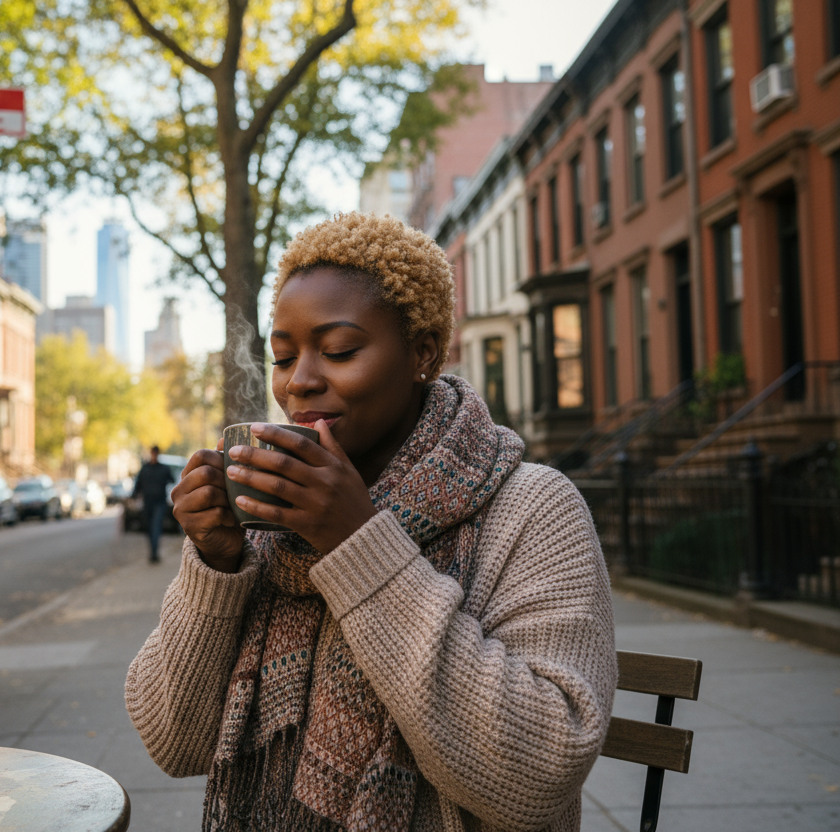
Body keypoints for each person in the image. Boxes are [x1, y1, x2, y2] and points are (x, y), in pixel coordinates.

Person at [125, 213, 617, 831]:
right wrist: (217, 566)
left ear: (423, 354)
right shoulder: (268, 531)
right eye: (282, 357)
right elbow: (174, 744)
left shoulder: (534, 509)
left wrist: (359, 545)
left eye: (339, 351)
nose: (300, 381)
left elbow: (540, 772)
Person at [132, 445, 175, 564]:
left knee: (156, 526)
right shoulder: (145, 469)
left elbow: (172, 480)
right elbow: (138, 484)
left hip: (160, 502)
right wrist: (134, 497)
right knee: (149, 528)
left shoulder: (163, 469)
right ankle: (153, 551)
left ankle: (154, 553)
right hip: (148, 503)